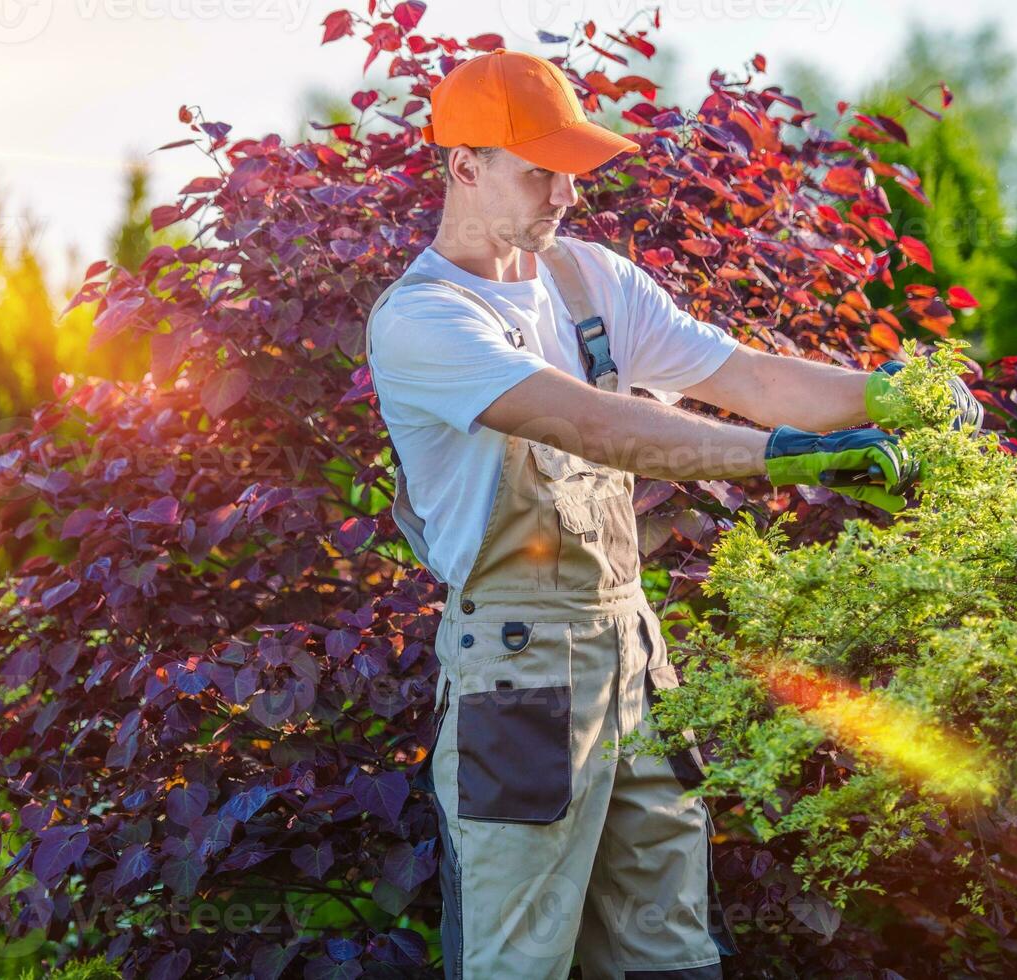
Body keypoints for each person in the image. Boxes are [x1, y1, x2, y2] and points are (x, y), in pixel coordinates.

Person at [364, 48, 978, 980]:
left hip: (634, 658)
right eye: (538, 172)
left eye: (570, 170)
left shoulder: (587, 281)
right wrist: (780, 459)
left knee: (671, 950)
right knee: (516, 960)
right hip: (519, 676)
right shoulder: (423, 320)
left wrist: (884, 398)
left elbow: (746, 377)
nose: (563, 193)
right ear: (463, 166)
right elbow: (596, 424)